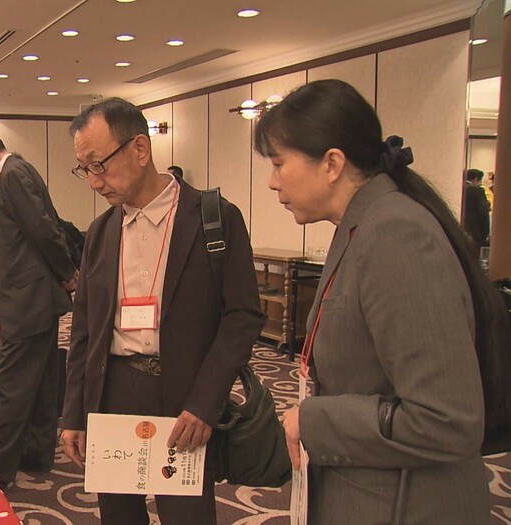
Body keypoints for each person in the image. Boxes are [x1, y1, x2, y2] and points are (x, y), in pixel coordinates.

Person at [255, 79, 497, 523]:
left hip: (406, 504)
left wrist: (314, 420)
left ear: (331, 163)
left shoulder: (396, 234)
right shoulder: (362, 224)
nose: (272, 182)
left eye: (278, 163)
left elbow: (448, 418)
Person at [62, 97, 264, 524]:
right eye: (85, 169)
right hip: (113, 391)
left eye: (99, 163)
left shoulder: (215, 219)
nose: (94, 181)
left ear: (140, 148)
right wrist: (74, 414)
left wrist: (206, 401)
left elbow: (242, 316)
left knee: (186, 516)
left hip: (184, 395)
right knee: (118, 515)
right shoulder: (100, 232)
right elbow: (83, 332)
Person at [0, 127, 78, 487]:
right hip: (33, 298)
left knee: (11, 381)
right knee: (41, 379)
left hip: (28, 300)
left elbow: (44, 229)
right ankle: (37, 452)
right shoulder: (15, 173)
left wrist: (68, 272)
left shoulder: (11, 175)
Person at [462, 168, 491, 250]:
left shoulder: (459, 188)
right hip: (476, 233)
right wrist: (486, 233)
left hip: (462, 231)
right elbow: (483, 212)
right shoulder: (478, 191)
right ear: (476, 179)